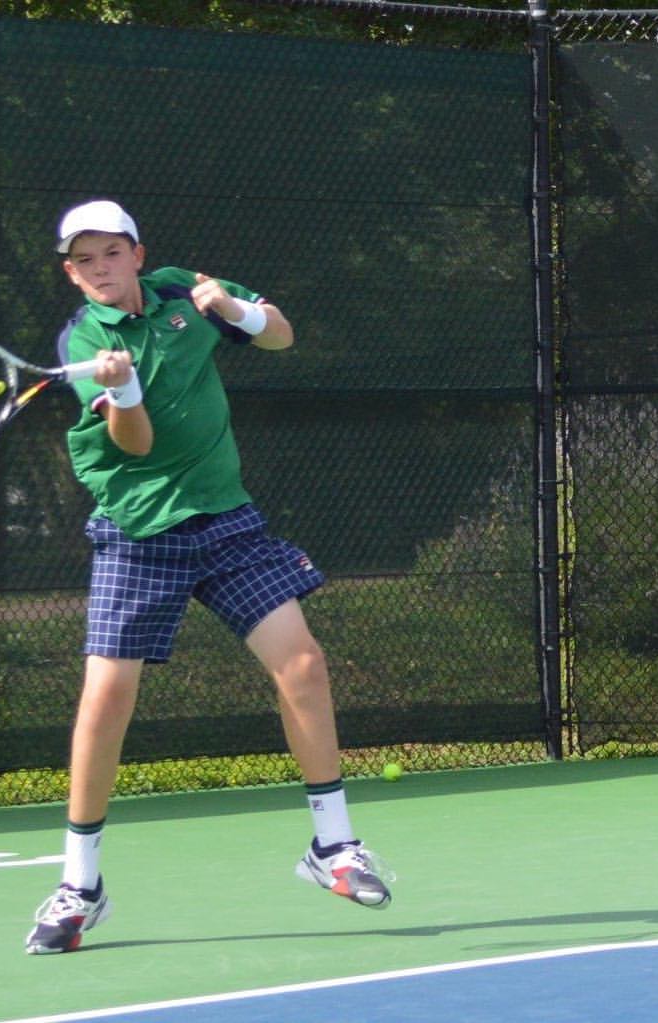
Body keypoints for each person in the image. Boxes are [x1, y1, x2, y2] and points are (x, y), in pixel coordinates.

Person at [25, 200, 392, 955]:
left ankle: (332, 846)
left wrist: (231, 309)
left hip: (225, 520)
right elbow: (135, 443)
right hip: (139, 531)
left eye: (111, 253)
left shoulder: (178, 289)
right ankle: (80, 886)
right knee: (106, 697)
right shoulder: (85, 340)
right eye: (84, 260)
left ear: (136, 253)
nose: (100, 268)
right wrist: (124, 389)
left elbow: (281, 335)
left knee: (303, 663)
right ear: (72, 273)